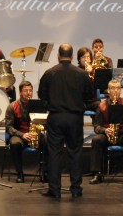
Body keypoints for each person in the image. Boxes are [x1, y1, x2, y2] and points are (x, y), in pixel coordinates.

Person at [38, 44, 92, 200]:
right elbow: (88, 96)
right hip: (75, 118)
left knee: (54, 153)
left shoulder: (49, 73)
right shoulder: (82, 74)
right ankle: (76, 188)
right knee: (75, 153)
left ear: (58, 56)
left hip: (56, 116)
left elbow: (42, 95)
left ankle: (55, 190)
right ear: (73, 56)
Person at [5, 81, 47, 183]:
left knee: (48, 141)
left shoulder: (38, 105)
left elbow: (44, 122)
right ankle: (20, 174)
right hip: (19, 135)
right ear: (20, 92)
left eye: (30, 90)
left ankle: (44, 173)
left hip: (34, 134)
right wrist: (23, 135)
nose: (28, 93)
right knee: (14, 143)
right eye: (25, 91)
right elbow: (9, 127)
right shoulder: (12, 106)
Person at [76, 46, 101, 113]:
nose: (86, 59)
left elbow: (97, 85)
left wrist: (92, 72)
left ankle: (96, 123)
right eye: (83, 57)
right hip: (80, 101)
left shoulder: (94, 70)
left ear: (90, 59)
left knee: (101, 105)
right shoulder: (76, 71)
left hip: (92, 100)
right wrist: (86, 74)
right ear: (79, 59)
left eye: (88, 57)